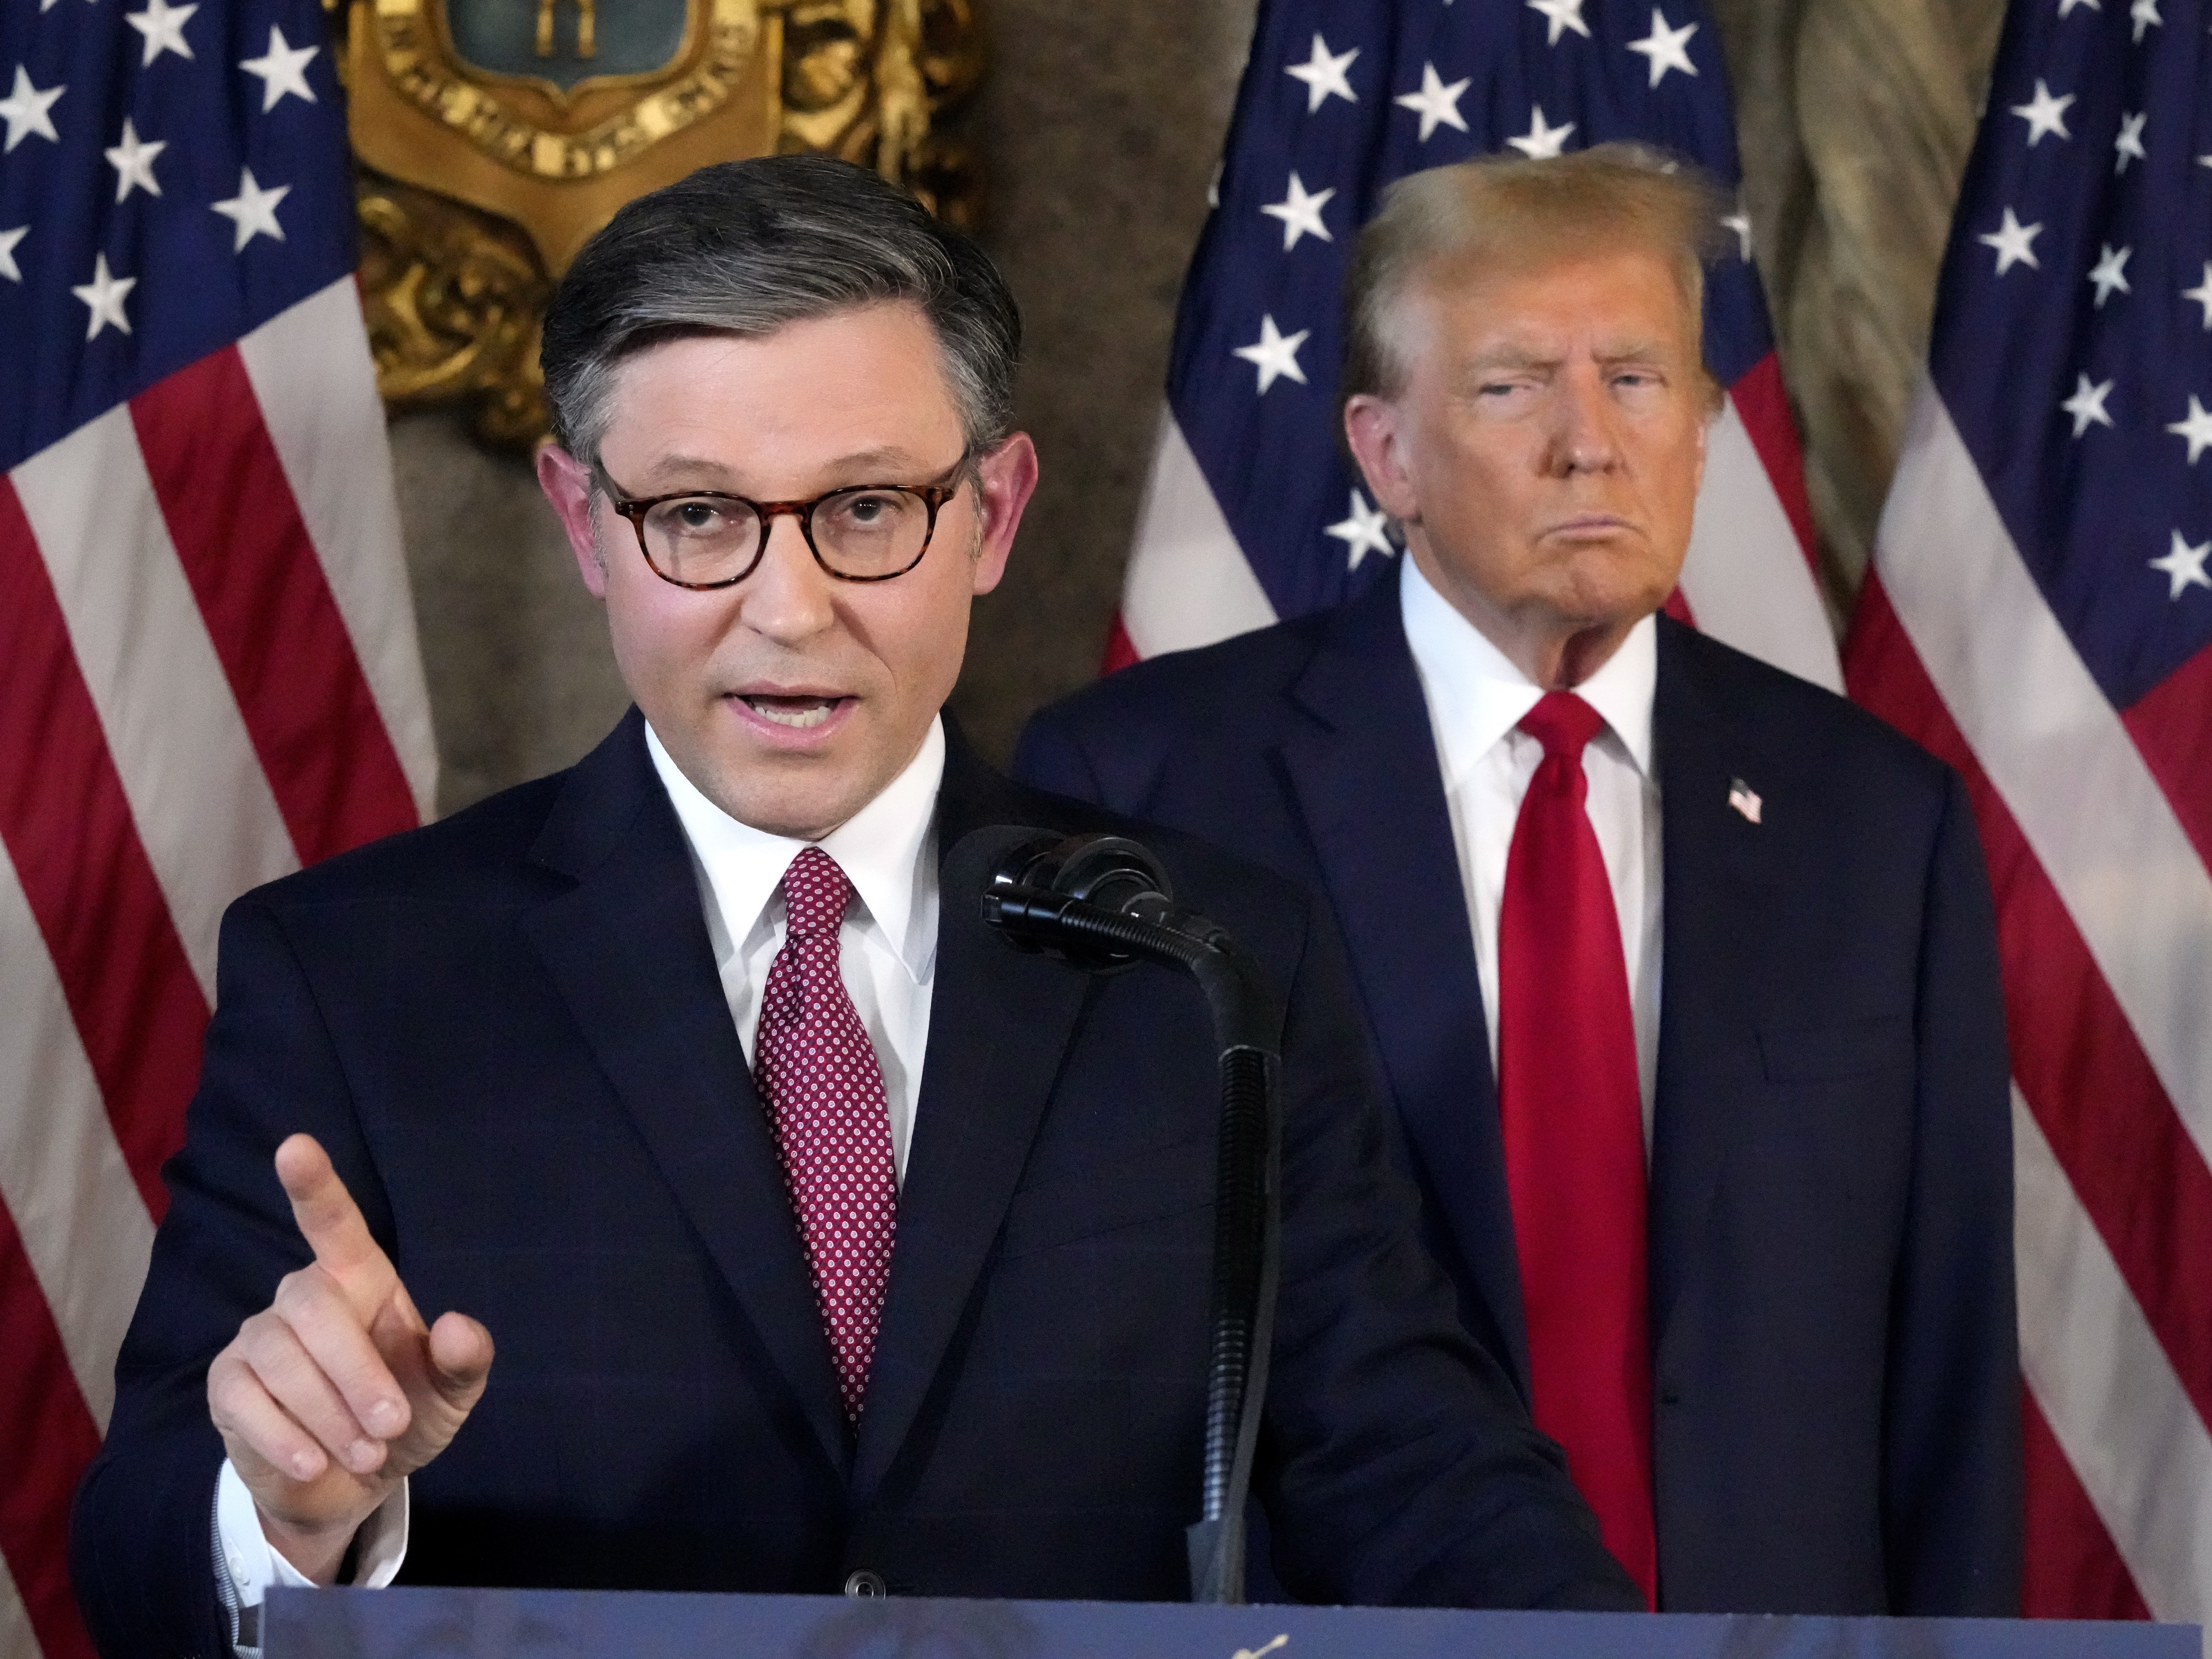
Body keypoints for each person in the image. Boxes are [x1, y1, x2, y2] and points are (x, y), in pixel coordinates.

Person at [69, 155, 1641, 1658]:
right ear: (581, 520)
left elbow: (1417, 1469)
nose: (790, 605)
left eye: (868, 506)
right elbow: (139, 1563)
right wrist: (287, 1515)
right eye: (697, 515)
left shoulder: (1209, 964)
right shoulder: (357, 976)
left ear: (994, 513)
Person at [1016, 147, 2020, 1616]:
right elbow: (1087, 1348)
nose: (1587, 441)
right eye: (1509, 386)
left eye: (1635, 377)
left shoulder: (1876, 820)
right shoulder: (1150, 790)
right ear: (1384, 452)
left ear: (1698, 430)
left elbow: (1946, 1366)